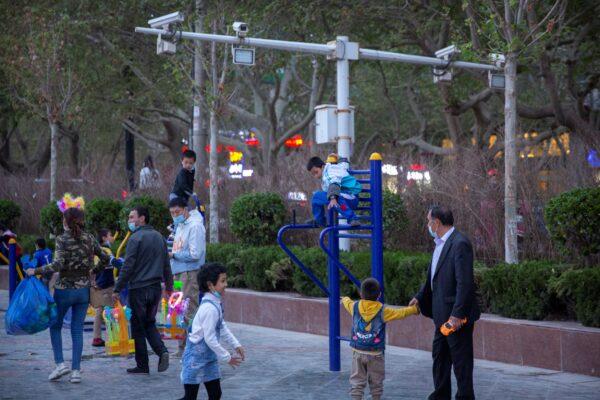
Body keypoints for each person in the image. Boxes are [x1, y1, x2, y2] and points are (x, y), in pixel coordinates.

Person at [26, 207, 117, 383]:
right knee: (77, 330)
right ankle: (76, 371)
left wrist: (35, 271)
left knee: (55, 326)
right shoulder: (89, 238)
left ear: (66, 221)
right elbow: (105, 259)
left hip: (64, 290)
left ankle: (60, 364)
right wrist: (93, 272)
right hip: (83, 291)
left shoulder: (62, 239)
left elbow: (57, 265)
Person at [409, 206, 480, 400]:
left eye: (428, 221)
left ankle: (465, 397)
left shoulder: (460, 243)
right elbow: (434, 276)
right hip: (441, 316)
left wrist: (457, 315)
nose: (427, 225)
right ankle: (440, 396)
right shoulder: (439, 243)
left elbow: (465, 282)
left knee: (461, 363)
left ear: (437, 222)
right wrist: (421, 296)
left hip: (456, 318)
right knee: (440, 358)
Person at [113, 205, 174, 374]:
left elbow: (128, 266)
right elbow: (166, 265)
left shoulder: (135, 238)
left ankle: (143, 364)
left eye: (132, 217)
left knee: (139, 327)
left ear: (142, 218)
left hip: (138, 289)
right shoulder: (160, 237)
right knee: (149, 323)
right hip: (155, 289)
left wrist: (117, 288)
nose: (129, 221)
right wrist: (169, 286)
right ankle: (161, 352)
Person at [342, 278, 419, 400]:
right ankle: (376, 397)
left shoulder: (354, 306)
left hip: (358, 351)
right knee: (376, 381)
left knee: (357, 381)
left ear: (361, 294)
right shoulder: (383, 311)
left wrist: (345, 298)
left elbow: (347, 302)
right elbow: (400, 313)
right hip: (376, 354)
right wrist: (414, 309)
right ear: (379, 295)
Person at [179, 262, 244, 400]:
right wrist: (228, 357)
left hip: (209, 359)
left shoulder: (215, 303)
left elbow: (222, 327)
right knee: (190, 397)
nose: (226, 284)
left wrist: (236, 344)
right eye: (223, 281)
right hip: (194, 360)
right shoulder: (209, 309)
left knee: (215, 394)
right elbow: (209, 339)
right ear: (210, 285)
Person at [168, 196, 206, 356]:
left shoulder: (195, 226)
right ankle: (182, 348)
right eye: (172, 213)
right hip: (177, 273)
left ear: (185, 210)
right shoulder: (181, 226)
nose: (174, 215)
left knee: (190, 310)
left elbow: (195, 254)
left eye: (177, 212)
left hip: (189, 273)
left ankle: (194, 348)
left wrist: (174, 255)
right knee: (177, 310)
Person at [306, 153, 362, 227]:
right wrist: (339, 157)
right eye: (313, 174)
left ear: (322, 167)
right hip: (345, 203)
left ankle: (353, 218)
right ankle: (320, 221)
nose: (316, 176)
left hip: (350, 197)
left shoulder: (328, 173)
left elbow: (334, 183)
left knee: (334, 200)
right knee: (316, 197)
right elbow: (344, 165)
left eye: (316, 172)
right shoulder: (335, 168)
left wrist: (333, 198)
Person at [91, 228, 115, 347]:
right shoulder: (106, 250)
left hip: (100, 283)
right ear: (104, 238)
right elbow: (107, 268)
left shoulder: (98, 250)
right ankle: (112, 336)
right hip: (106, 284)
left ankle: (97, 337)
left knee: (100, 311)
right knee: (108, 310)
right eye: (110, 235)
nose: (112, 237)